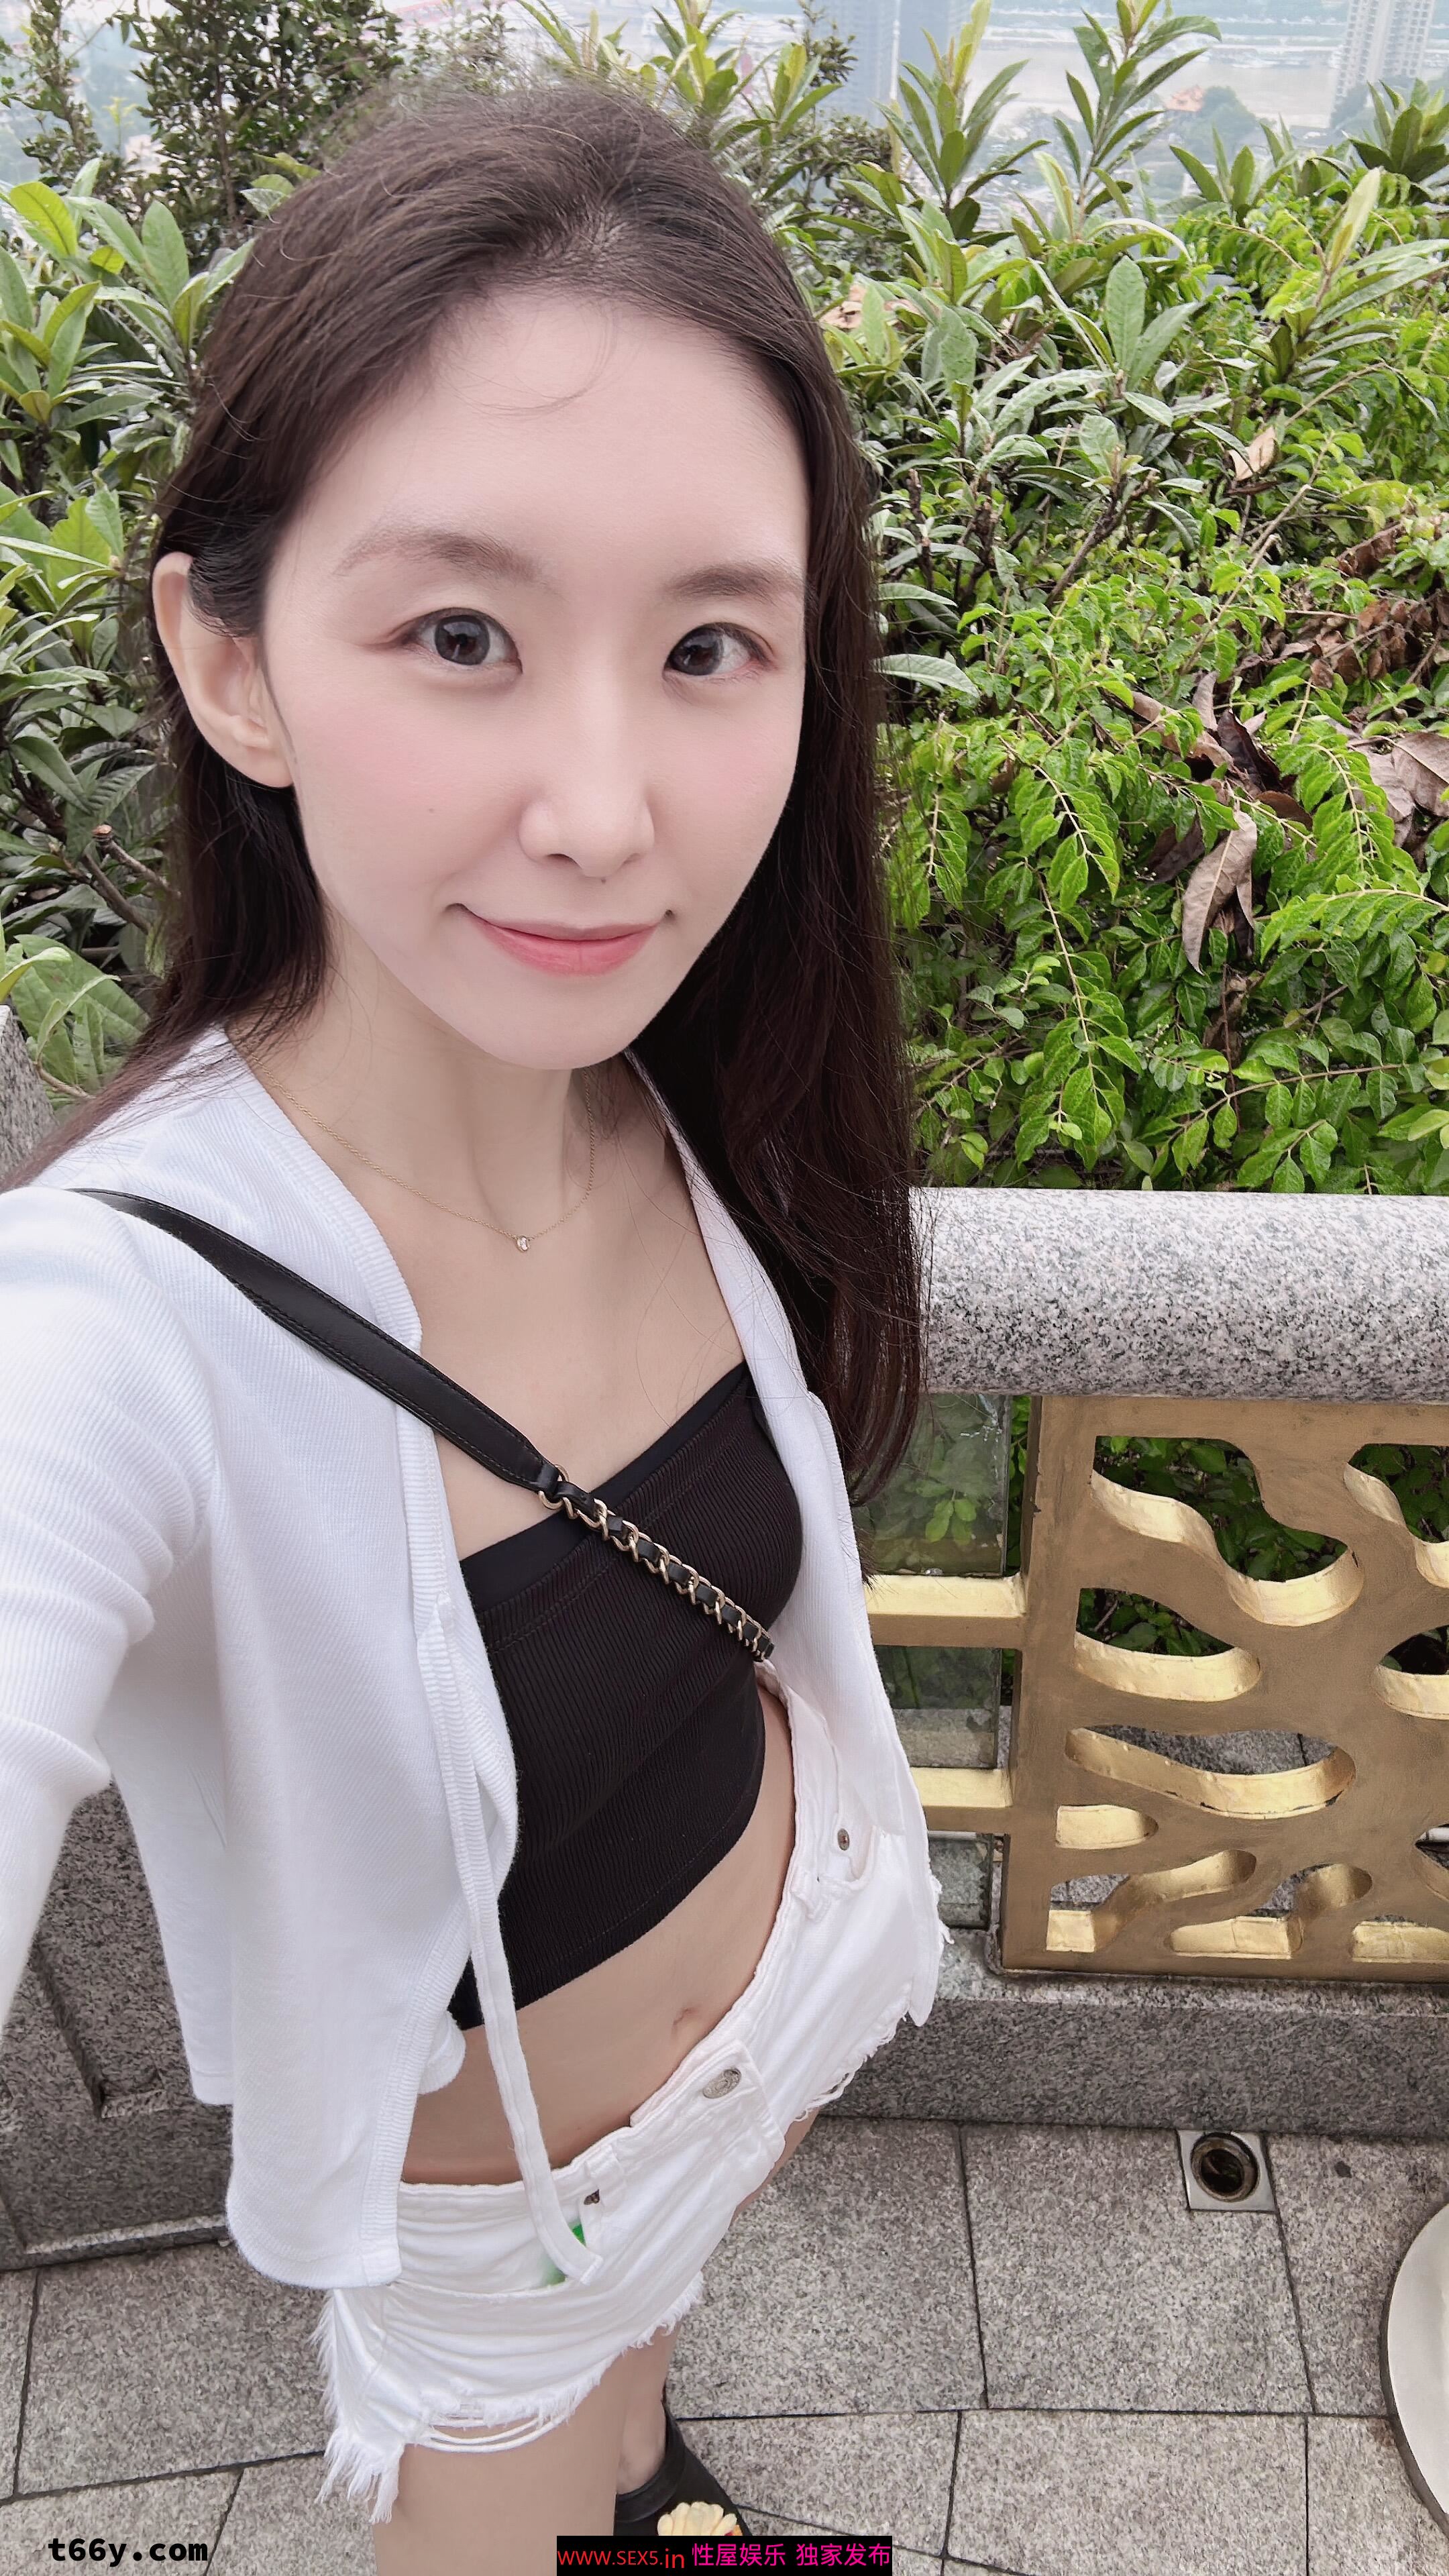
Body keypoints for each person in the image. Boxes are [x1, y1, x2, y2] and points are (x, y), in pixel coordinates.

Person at [0, 76, 949, 2575]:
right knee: (524, 2492)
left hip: (748, 2086)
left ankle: (652, 2474)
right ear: (230, 662)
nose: (607, 811)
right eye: (460, 636)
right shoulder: (112, 1326)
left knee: (637, 2446)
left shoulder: (693, 1092)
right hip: (510, 2245)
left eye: (711, 645)